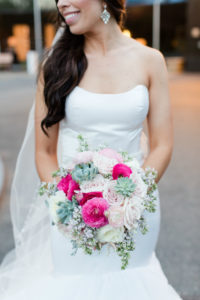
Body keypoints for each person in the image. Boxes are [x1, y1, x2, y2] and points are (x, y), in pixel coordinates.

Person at [0, 0, 183, 299]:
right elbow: (44, 153)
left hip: (135, 210)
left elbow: (163, 144)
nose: (61, 3)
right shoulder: (56, 65)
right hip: (72, 215)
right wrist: (67, 205)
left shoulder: (151, 60)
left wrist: (134, 195)